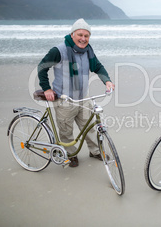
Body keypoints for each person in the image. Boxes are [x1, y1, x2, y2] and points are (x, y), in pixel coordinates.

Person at [38, 18, 115, 167]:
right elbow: (42, 67)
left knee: (89, 127)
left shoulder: (88, 51)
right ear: (72, 34)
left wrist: (107, 81)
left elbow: (98, 67)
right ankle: (70, 154)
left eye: (86, 36)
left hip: (83, 97)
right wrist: (46, 88)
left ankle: (95, 151)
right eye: (80, 35)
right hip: (64, 99)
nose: (83, 39)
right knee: (66, 131)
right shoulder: (58, 51)